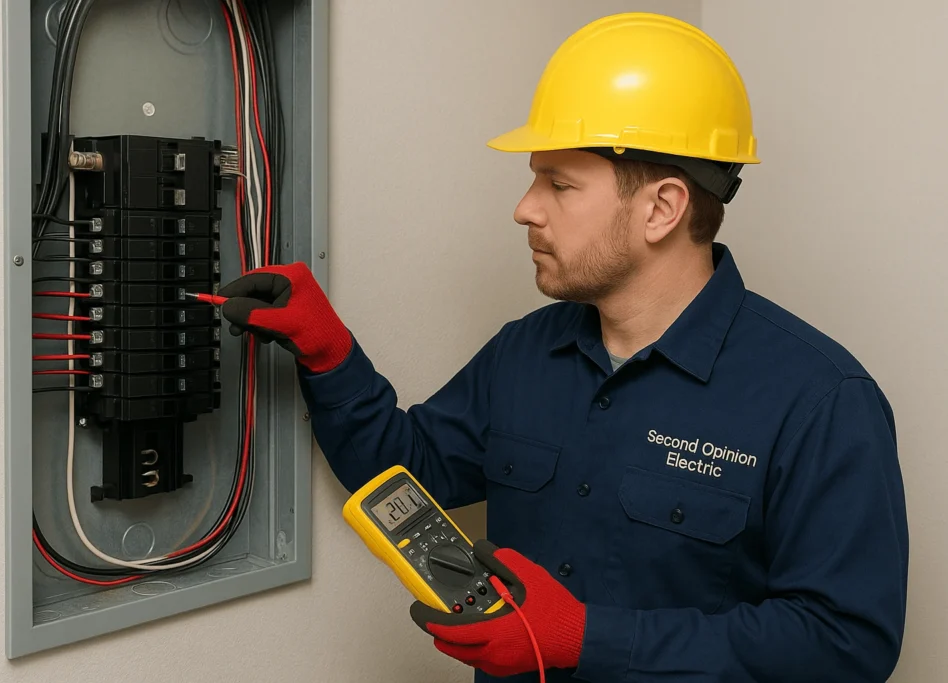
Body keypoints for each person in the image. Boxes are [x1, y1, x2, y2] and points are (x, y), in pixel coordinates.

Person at [218, 12, 908, 683]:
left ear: (662, 209)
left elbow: (846, 643)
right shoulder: (524, 353)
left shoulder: (819, 399)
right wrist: (329, 353)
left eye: (559, 183)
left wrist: (588, 638)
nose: (526, 207)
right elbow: (409, 470)